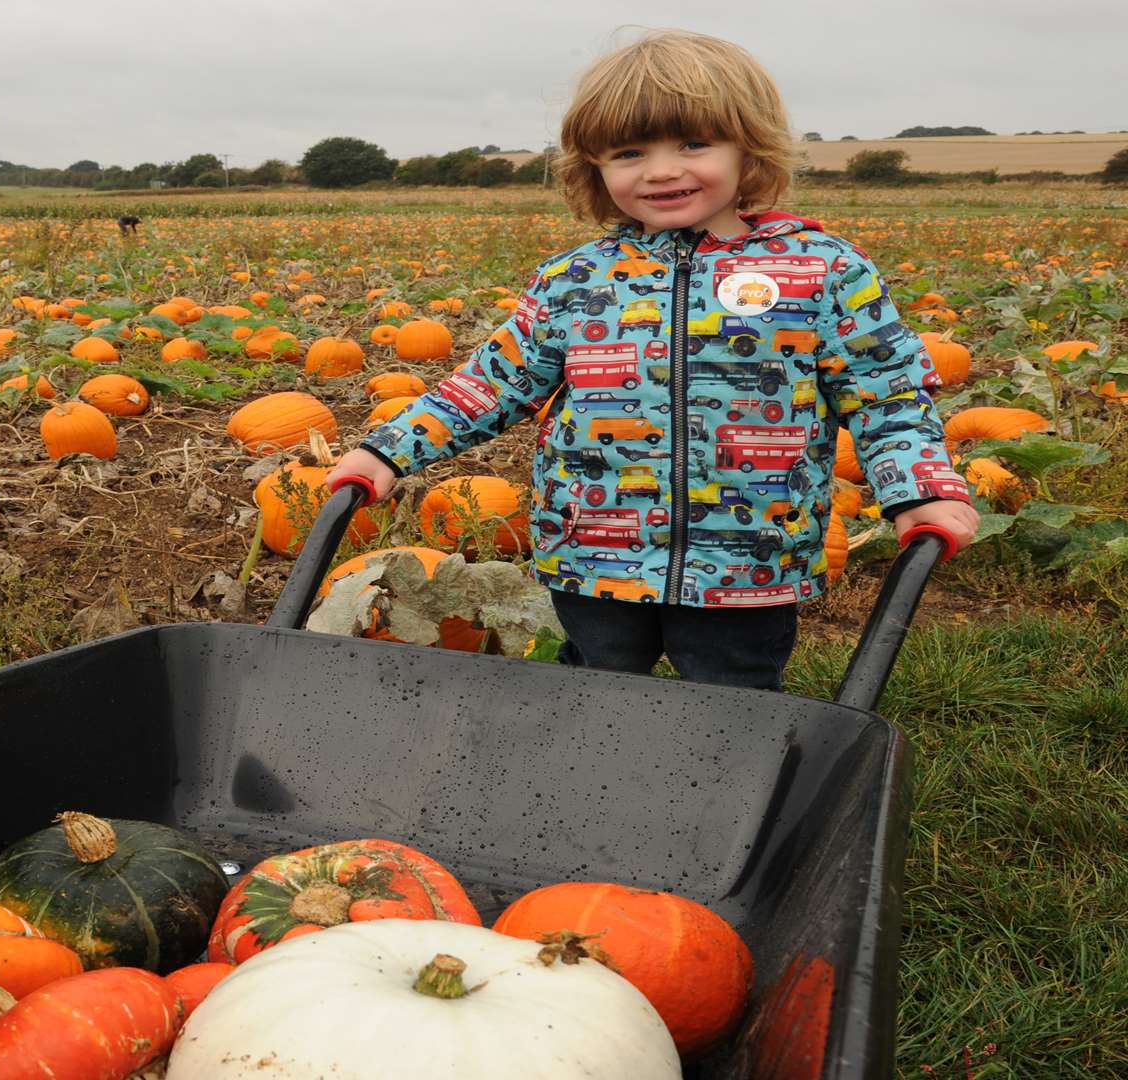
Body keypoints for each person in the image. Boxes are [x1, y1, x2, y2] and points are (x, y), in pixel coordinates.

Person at [326, 29, 978, 692]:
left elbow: (886, 396)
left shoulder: (823, 272)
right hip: (592, 550)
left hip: (749, 561)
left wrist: (918, 488)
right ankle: (588, 790)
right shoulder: (576, 280)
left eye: (693, 144)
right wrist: (388, 450)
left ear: (748, 147)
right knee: (593, 695)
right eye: (630, 152)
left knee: (733, 702)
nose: (661, 170)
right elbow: (492, 384)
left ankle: (728, 791)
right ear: (595, 168)